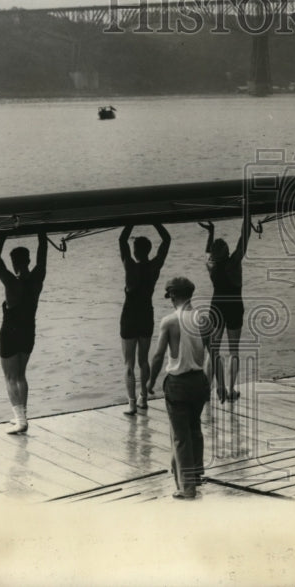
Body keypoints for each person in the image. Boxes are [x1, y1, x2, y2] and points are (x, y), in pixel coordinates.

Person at [148, 276, 209, 500]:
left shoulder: (169, 321)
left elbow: (157, 356)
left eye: (170, 297)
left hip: (178, 383)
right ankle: (195, 475)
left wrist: (150, 382)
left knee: (180, 436)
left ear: (173, 296)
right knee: (194, 429)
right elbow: (213, 352)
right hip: (199, 381)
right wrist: (216, 383)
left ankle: (187, 488)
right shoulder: (204, 318)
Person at [0, 231, 48, 435]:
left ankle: (21, 420)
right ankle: (22, 417)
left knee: (9, 377)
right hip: (28, 331)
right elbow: (43, 254)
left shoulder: (11, 282)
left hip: (10, 332)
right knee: (21, 375)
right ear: (29, 260)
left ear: (14, 263)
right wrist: (42, 232)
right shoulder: (38, 277)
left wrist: (3, 232)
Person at [118, 222, 171, 415]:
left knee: (128, 363)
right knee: (143, 361)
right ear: (148, 251)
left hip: (129, 315)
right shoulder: (154, 267)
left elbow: (121, 240)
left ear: (135, 251)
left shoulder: (130, 266)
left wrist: (131, 221)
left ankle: (131, 403)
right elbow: (167, 240)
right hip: (146, 314)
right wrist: (155, 221)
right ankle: (144, 398)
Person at [200, 207, 252, 402]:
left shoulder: (212, 267)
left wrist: (211, 232)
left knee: (213, 350)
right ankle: (230, 390)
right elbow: (244, 238)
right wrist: (248, 216)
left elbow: (207, 254)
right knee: (234, 350)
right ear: (227, 252)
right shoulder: (234, 263)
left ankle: (207, 391)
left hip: (217, 307)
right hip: (235, 306)